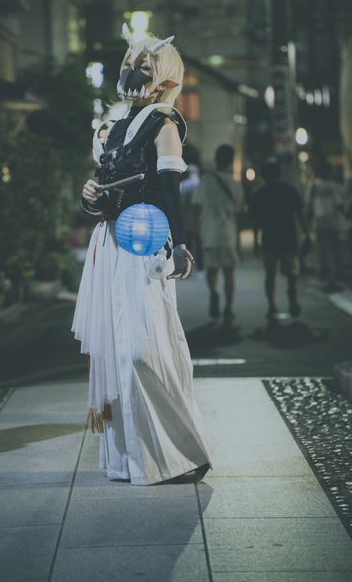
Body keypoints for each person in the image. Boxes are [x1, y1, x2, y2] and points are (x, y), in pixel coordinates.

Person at [71, 25, 212, 486]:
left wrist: (181, 244)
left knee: (142, 350)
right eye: (131, 63)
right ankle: (130, 461)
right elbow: (101, 195)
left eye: (145, 66)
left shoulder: (164, 125)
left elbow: (171, 192)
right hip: (110, 245)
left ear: (165, 77)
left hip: (145, 245)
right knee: (115, 352)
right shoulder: (111, 130)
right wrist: (91, 196)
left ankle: (180, 454)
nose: (134, 72)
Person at [249, 157, 310, 320]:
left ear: (263, 175)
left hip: (269, 238)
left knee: (270, 274)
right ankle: (292, 294)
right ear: (279, 173)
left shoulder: (259, 194)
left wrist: (255, 242)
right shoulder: (290, 190)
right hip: (289, 237)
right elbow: (300, 214)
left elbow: (256, 221)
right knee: (292, 271)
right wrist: (306, 233)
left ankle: (272, 306)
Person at [191, 144, 244, 326]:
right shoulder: (235, 184)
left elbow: (196, 207)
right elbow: (239, 213)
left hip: (209, 233)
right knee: (229, 273)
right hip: (228, 235)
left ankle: (214, 293)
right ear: (231, 161)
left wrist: (194, 231)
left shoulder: (206, 181)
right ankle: (228, 309)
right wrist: (238, 241)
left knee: (211, 269)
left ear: (216, 159)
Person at [307, 161, 343, 290]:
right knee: (333, 250)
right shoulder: (334, 186)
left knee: (324, 250)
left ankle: (326, 276)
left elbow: (310, 206)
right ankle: (332, 278)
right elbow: (340, 204)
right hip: (333, 223)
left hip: (320, 223)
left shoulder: (314, 186)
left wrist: (308, 224)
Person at [180, 163, 203, 271]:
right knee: (199, 243)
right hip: (199, 219)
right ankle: (200, 265)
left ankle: (188, 266)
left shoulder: (184, 185)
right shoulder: (201, 184)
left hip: (187, 218)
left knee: (188, 244)